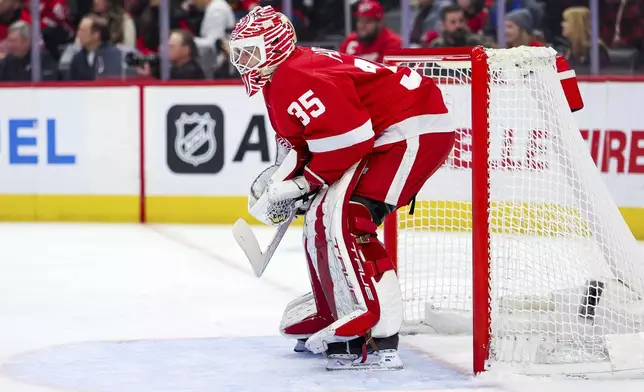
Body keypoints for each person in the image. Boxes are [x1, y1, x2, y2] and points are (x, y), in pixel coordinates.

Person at [229, 6, 456, 370]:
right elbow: (305, 144)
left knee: (351, 220)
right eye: (238, 52)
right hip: (394, 130)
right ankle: (336, 307)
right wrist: (283, 182)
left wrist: (304, 182)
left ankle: (376, 330)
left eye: (250, 51)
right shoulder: (282, 77)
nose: (242, 61)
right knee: (322, 216)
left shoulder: (294, 75)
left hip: (413, 129)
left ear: (273, 46)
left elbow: (349, 141)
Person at [68, 14, 123, 80]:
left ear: (96, 35)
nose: (78, 34)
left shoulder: (114, 55)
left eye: (83, 31)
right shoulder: (77, 58)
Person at [136, 29, 206, 79]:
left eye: (171, 47)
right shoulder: (175, 68)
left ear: (186, 50)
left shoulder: (190, 72)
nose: (166, 50)